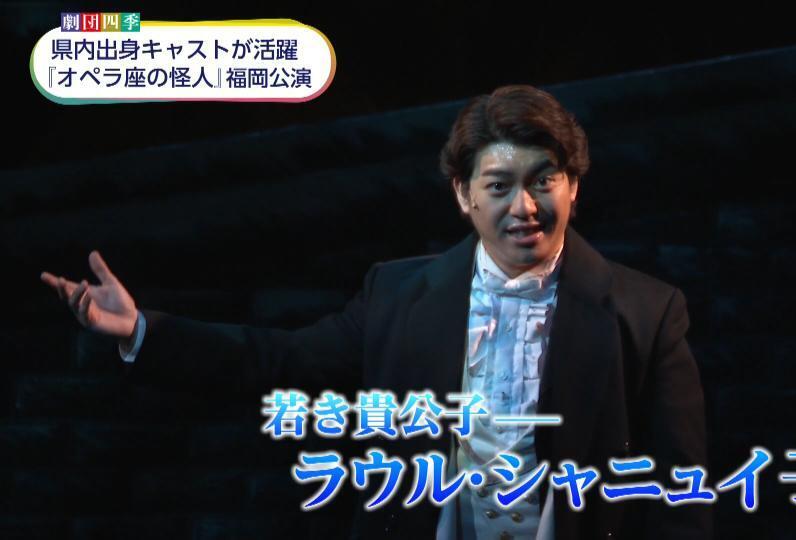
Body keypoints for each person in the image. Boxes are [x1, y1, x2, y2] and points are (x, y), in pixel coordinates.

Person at [41, 85, 710, 539]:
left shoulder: (647, 311)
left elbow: (681, 489)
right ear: (464, 195)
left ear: (573, 186)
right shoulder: (398, 294)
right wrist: (141, 331)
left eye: (544, 181)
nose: (524, 206)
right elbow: (283, 360)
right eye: (500, 185)